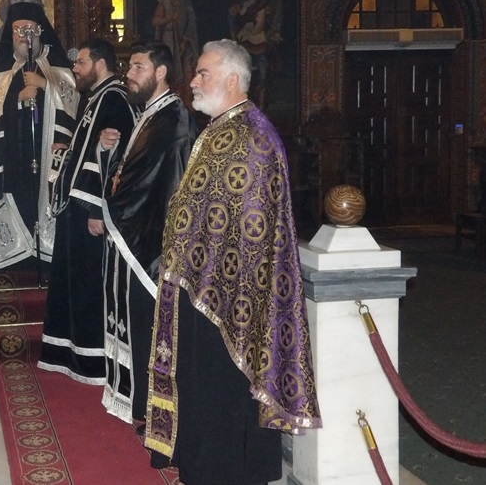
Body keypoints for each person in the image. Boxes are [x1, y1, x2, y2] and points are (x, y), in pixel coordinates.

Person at [145, 39, 322, 484]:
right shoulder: (222, 128)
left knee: (222, 398)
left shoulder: (251, 136)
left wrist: (196, 263)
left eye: (202, 73)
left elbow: (249, 231)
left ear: (230, 79)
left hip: (228, 299)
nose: (193, 80)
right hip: (201, 286)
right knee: (205, 396)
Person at [99, 40, 194, 424]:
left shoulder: (172, 119)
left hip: (151, 238)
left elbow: (147, 183)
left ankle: (150, 408)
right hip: (137, 229)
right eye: (130, 67)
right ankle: (135, 401)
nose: (130, 74)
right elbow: (130, 169)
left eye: (138, 67)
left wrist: (109, 205)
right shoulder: (151, 114)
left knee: (148, 326)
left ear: (161, 72)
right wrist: (110, 151)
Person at [38, 39, 136, 384]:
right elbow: (92, 149)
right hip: (76, 208)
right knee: (72, 283)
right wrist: (69, 149)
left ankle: (92, 358)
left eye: (80, 63)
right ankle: (68, 352)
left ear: (100, 64)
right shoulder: (96, 98)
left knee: (88, 286)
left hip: (89, 210)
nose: (75, 69)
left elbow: (116, 157)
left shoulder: (115, 99)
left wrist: (96, 208)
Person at [0, 1, 78, 273]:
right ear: (11, 34)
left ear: (41, 31)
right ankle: (17, 261)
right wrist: (18, 98)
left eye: (30, 29)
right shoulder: (4, 72)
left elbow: (73, 103)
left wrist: (45, 85)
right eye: (19, 30)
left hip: (49, 154)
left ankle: (49, 261)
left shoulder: (58, 66)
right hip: (14, 157)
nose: (25, 35)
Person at [152, 0, 198, 99]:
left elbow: (191, 22)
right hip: (169, 39)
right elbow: (155, 21)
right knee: (171, 68)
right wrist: (170, 19)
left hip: (184, 40)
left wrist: (184, 41)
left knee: (186, 68)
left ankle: (185, 99)